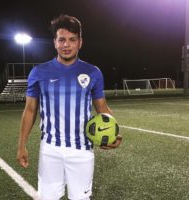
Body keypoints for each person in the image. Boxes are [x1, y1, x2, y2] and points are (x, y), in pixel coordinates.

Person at [17, 14, 122, 200]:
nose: (66, 45)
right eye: (62, 40)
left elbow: (102, 107)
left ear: (80, 42)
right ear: (55, 43)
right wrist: (21, 145)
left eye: (72, 40)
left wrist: (114, 132)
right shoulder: (39, 72)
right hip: (50, 149)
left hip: (82, 149)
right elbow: (30, 111)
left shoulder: (93, 72)